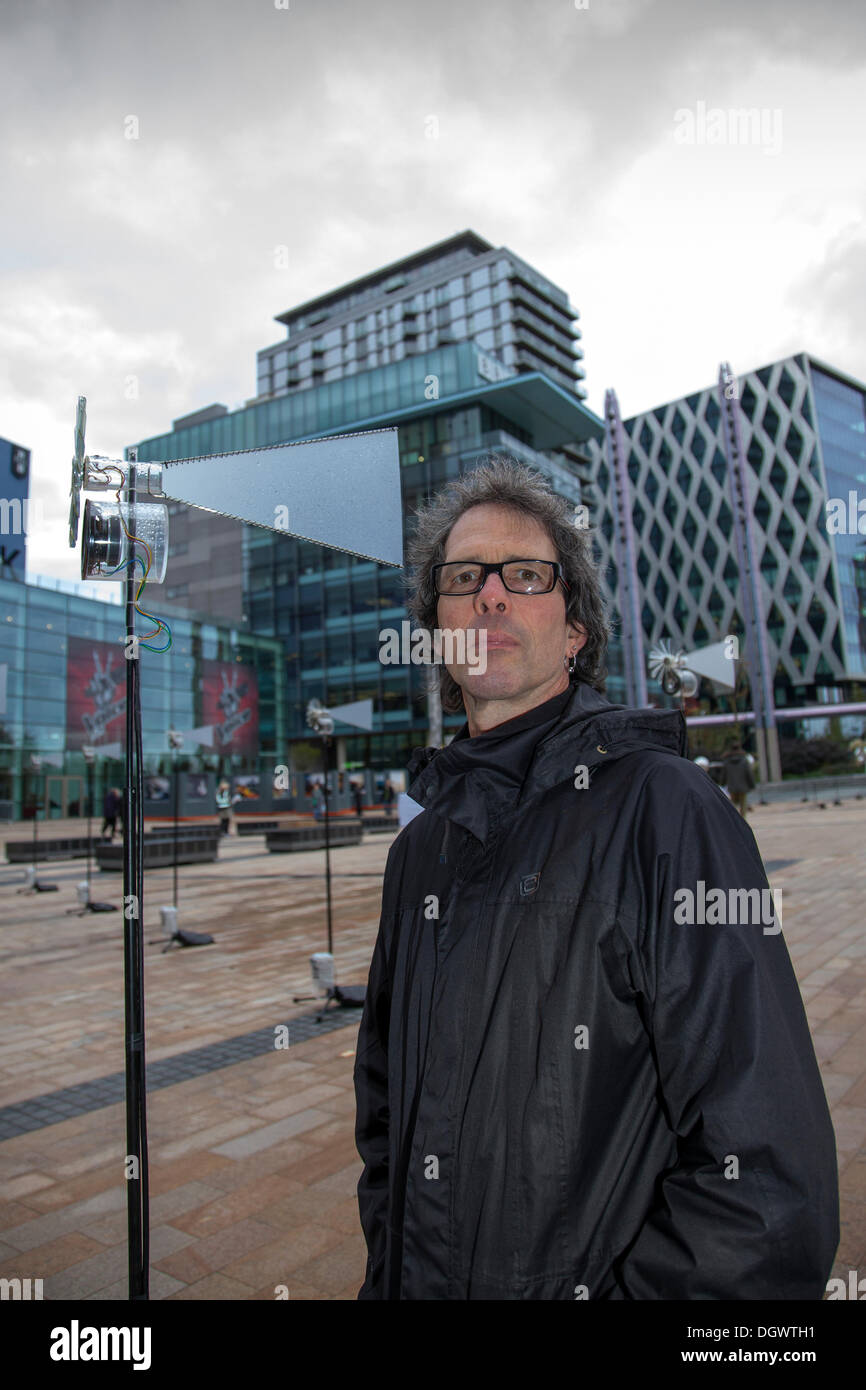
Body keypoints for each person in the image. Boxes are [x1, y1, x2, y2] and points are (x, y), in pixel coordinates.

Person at [353, 456, 838, 1301]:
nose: (491, 595)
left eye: (526, 575)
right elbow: (385, 1124)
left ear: (575, 632)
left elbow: (766, 1192)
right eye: (463, 577)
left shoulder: (668, 811)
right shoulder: (418, 849)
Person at [722, 741, 756, 817]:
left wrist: (722, 783)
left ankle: (734, 822)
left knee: (733, 806)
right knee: (743, 806)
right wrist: (752, 785)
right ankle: (743, 822)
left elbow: (724, 774)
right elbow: (748, 773)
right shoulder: (744, 760)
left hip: (732, 787)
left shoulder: (727, 761)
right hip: (743, 787)